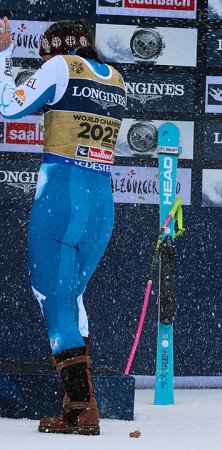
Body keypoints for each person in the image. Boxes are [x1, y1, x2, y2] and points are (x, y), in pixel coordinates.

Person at [0, 18, 126, 435]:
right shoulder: (116, 77)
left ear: (55, 50)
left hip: (61, 195)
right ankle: (83, 404)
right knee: (72, 299)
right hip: (101, 201)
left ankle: (79, 410)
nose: (41, 63)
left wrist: (3, 54)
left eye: (42, 55)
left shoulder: (59, 67)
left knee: (53, 302)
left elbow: (8, 105)